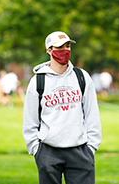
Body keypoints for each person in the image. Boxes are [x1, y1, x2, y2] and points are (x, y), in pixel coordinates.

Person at [23, 31, 102, 184]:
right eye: (59, 47)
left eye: (67, 46)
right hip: (48, 152)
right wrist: (36, 150)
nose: (65, 51)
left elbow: (92, 116)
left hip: (81, 152)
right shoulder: (38, 81)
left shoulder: (82, 77)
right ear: (49, 50)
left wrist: (91, 148)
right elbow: (30, 121)